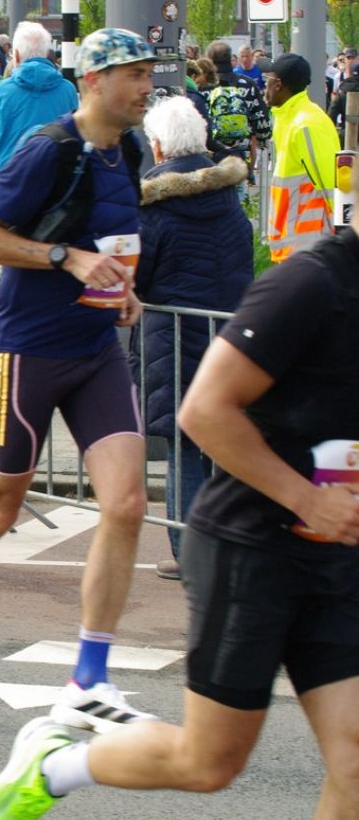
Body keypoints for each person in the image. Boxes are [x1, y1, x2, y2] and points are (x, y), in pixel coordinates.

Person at [0, 172, 359, 820]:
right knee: (208, 763)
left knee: (355, 762)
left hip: (336, 560)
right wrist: (307, 498)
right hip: (252, 548)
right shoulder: (310, 284)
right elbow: (203, 411)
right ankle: (52, 766)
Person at [0, 29, 158, 734]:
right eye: (133, 74)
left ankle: (89, 678)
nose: (146, 86)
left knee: (127, 504)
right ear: (93, 81)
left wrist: (124, 289)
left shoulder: (130, 151)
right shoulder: (48, 148)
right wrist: (65, 258)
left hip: (96, 349)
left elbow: (111, 238)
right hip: (24, 352)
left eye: (149, 73)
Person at [133, 96, 252, 582]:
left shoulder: (155, 206)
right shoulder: (229, 197)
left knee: (183, 445)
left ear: (159, 147)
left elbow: (138, 276)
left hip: (174, 336)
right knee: (223, 443)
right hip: (227, 334)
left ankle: (189, 552)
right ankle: (228, 546)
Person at [0, 21, 78, 191]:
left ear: (15, 55)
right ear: (47, 53)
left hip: (5, 185)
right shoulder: (68, 90)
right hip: (54, 186)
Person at [263, 53, 339, 263]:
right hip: (298, 243)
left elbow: (329, 185)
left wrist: (342, 238)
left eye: (267, 80)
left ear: (278, 85)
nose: (264, 87)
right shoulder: (289, 118)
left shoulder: (306, 124)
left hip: (310, 245)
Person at [205, 40, 270, 189]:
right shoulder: (247, 84)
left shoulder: (204, 86)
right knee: (238, 196)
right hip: (240, 157)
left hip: (210, 157)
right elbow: (261, 120)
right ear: (230, 59)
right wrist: (262, 140)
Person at [328, 47, 359, 128]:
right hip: (343, 121)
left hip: (346, 126)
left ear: (357, 59)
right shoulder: (338, 76)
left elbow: (332, 113)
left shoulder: (343, 89)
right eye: (349, 58)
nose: (351, 61)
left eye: (353, 58)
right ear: (345, 59)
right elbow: (334, 93)